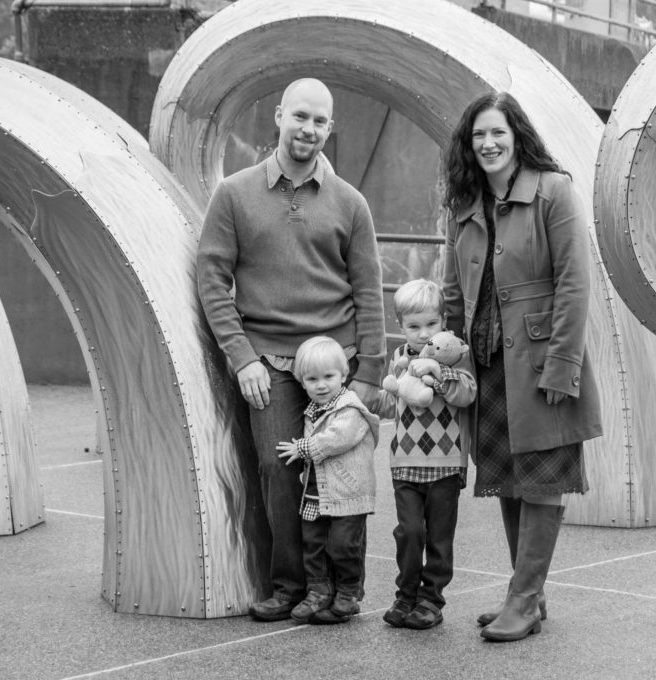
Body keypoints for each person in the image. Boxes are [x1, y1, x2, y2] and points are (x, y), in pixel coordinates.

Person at [196, 78, 385, 621]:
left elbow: (368, 291)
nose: (308, 129)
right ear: (278, 115)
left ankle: (341, 590)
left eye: (319, 121)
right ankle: (290, 586)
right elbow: (212, 279)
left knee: (341, 479)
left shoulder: (351, 203)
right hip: (270, 364)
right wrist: (241, 357)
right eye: (299, 116)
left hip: (337, 364)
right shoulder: (233, 193)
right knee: (280, 472)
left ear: (331, 128)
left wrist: (369, 373)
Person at [440, 92, 603, 642]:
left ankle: (525, 599)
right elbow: (450, 292)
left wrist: (563, 364)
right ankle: (526, 593)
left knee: (540, 482)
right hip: (485, 362)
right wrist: (445, 357)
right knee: (509, 480)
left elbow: (575, 284)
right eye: (478, 135)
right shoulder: (463, 201)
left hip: (539, 363)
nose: (487, 144)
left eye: (498, 134)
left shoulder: (553, 191)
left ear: (518, 137)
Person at [376, 279, 476, 630]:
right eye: (413, 326)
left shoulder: (455, 355)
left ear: (443, 322)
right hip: (404, 463)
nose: (422, 333)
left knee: (438, 536)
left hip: (445, 466)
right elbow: (392, 403)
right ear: (400, 326)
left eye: (431, 324)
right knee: (409, 531)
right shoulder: (399, 358)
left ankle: (431, 600)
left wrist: (437, 376)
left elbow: (466, 393)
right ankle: (405, 595)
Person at [277, 336, 379, 625]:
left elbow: (337, 438)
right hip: (316, 491)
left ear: (344, 374)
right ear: (301, 382)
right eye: (312, 379)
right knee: (313, 544)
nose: (321, 384)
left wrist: (302, 448)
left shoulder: (349, 408)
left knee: (343, 544)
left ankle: (348, 592)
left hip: (347, 493)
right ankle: (319, 591)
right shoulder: (311, 410)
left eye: (328, 377)